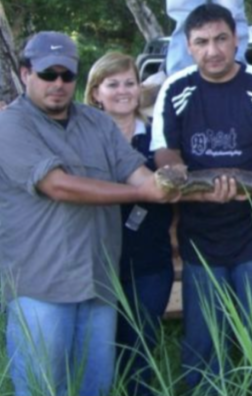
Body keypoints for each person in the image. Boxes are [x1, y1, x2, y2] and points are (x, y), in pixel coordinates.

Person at [0, 32, 230, 396]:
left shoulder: (96, 123)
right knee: (43, 389)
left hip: (99, 283)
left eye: (66, 75)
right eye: (47, 74)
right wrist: (140, 193)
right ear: (25, 73)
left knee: (95, 388)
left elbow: (142, 175)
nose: (58, 84)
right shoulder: (8, 125)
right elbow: (59, 186)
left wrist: (197, 191)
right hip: (41, 289)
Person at [152, 3, 252, 394]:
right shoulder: (176, 89)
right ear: (188, 45)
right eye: (201, 42)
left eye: (221, 39)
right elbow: (164, 151)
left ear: (237, 38)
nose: (212, 50)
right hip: (202, 239)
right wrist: (178, 173)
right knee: (204, 345)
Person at [85, 53, 174, 396]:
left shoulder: (159, 141)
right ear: (96, 92)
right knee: (98, 359)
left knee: (139, 354)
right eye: (113, 84)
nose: (123, 91)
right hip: (94, 266)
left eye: (130, 83)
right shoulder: (82, 141)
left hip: (149, 263)